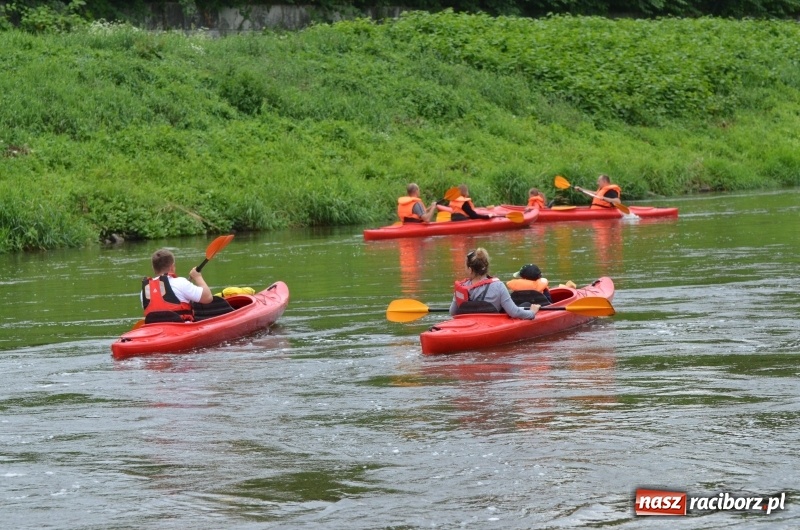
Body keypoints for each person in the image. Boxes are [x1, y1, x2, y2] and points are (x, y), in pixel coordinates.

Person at [449, 248, 539, 319]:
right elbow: (514, 312)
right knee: (526, 305)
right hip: (491, 326)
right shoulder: (498, 286)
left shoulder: (461, 287)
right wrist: (532, 313)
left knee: (524, 306)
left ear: (470, 269)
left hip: (469, 326)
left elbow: (453, 312)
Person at [140, 248, 213, 323]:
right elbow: (207, 298)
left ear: (153, 268)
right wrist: (197, 277)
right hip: (181, 329)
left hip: (156, 330)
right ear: (172, 267)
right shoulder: (180, 282)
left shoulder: (145, 290)